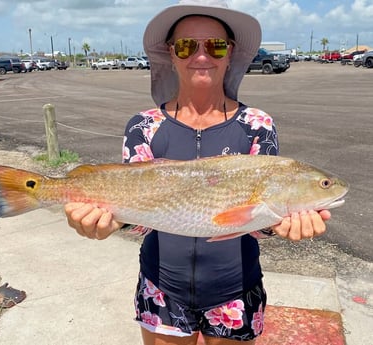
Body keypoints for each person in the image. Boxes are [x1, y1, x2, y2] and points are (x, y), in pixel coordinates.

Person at [65, 1, 330, 344]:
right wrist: (104, 221)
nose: (201, 56)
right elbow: (141, 218)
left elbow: (255, 224)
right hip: (161, 288)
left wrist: (284, 225)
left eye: (216, 45)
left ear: (231, 54)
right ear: (171, 54)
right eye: (187, 46)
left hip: (236, 289)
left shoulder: (258, 126)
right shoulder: (143, 126)